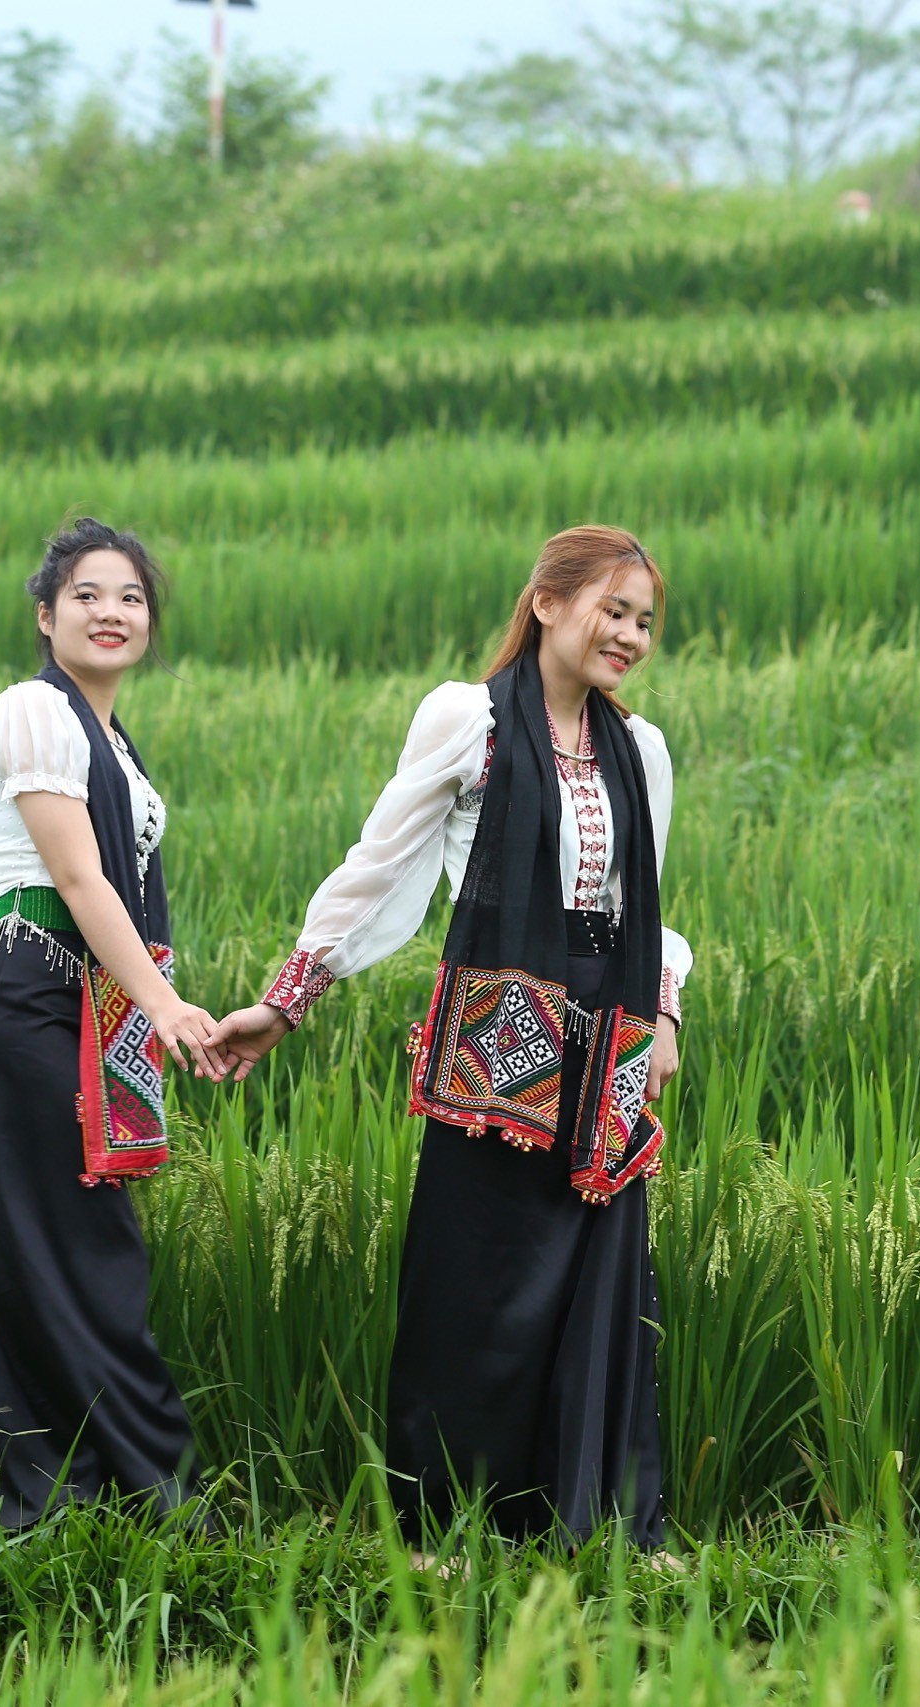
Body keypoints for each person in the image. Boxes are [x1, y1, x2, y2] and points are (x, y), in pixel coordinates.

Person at [212, 524, 690, 1556]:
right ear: (548, 602)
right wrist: (289, 996)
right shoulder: (466, 720)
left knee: (594, 1283)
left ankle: (601, 1525)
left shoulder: (638, 750)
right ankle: (438, 1524)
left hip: (606, 1033)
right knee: (475, 1282)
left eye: (645, 620)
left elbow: (645, 898)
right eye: (612, 610)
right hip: (505, 1039)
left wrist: (664, 1017)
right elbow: (378, 864)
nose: (630, 636)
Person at [0, 517, 227, 1550]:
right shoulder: (33, 711)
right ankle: (156, 1494)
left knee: (32, 1253)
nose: (113, 613)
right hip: (34, 1003)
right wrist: (161, 1004)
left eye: (132, 597)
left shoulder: (112, 743)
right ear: (46, 613)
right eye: (90, 595)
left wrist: (145, 1010)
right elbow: (74, 876)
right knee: (78, 1255)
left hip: (92, 1014)